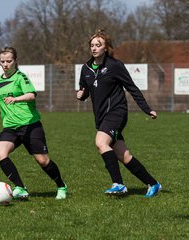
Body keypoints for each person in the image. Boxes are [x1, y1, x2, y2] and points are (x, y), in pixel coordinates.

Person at [76, 30, 162, 198]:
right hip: (101, 117)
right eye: (92, 45)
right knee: (124, 155)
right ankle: (153, 184)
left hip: (117, 112)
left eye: (98, 45)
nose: (94, 48)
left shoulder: (115, 65)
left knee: (101, 142)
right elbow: (85, 90)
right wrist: (81, 95)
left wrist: (147, 108)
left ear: (105, 48)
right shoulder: (85, 68)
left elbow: (132, 88)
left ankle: (118, 184)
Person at [0, 46, 67, 200]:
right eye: (2, 61)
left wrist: (16, 98)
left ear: (15, 61)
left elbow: (31, 95)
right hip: (10, 127)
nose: (5, 64)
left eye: (9, 61)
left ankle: (61, 186)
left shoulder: (20, 77)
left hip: (30, 125)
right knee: (0, 153)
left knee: (42, 160)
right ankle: (20, 187)